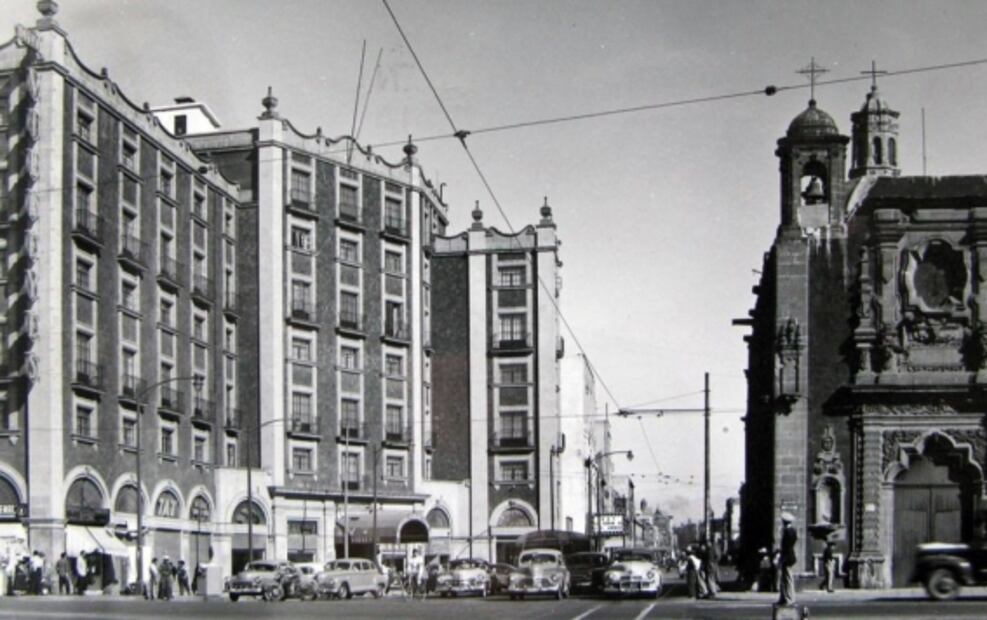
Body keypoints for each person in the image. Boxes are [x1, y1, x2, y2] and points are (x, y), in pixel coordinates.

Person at [778, 512, 798, 606]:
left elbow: (786, 547)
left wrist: (782, 558)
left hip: (787, 557)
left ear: (784, 522)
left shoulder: (787, 531)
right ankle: (783, 597)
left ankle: (789, 598)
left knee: (788, 578)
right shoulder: (793, 530)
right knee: (784, 578)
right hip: (789, 556)